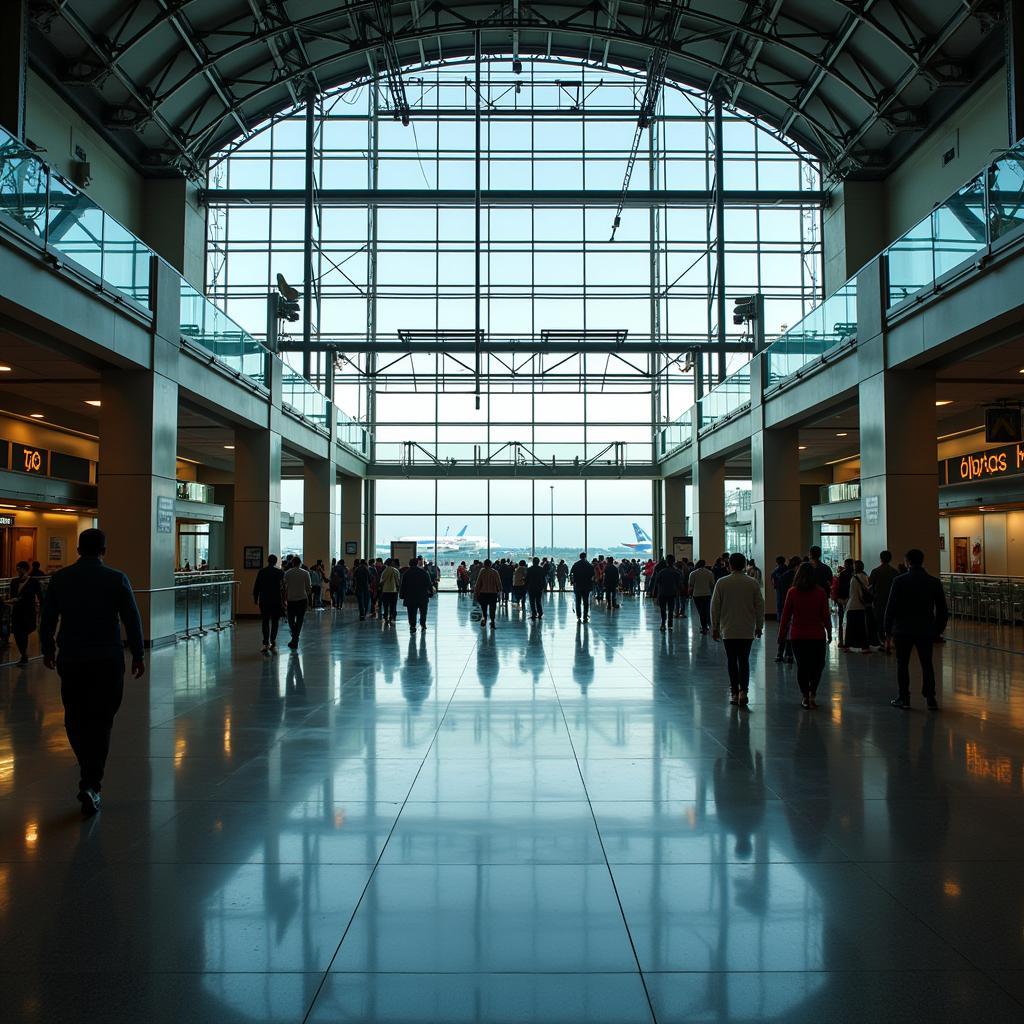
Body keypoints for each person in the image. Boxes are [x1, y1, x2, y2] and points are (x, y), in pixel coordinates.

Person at [38, 528, 145, 817]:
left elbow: (47, 619)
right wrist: (138, 654)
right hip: (107, 659)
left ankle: (88, 771)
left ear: (78, 550)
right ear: (104, 550)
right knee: (102, 720)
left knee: (74, 715)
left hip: (72, 657)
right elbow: (131, 618)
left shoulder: (61, 579)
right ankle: (91, 781)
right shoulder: (116, 578)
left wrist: (47, 649)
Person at [883, 548, 948, 710]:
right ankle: (930, 697)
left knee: (902, 664)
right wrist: (937, 629)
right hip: (925, 629)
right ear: (922, 561)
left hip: (902, 630)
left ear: (907, 562)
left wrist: (887, 630)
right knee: (927, 663)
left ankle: (904, 697)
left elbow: (890, 608)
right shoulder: (933, 582)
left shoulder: (899, 581)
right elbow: (942, 609)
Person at [710, 553, 764, 707]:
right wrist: (759, 626)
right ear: (744, 564)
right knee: (744, 661)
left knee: (732, 661)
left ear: (729, 565)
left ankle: (734, 692)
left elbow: (715, 608)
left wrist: (714, 627)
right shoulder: (752, 583)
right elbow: (760, 606)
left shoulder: (722, 583)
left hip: (728, 629)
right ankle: (744, 691)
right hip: (747, 629)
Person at [778, 562, 832, 708]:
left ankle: (805, 695)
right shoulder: (820, 592)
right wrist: (829, 631)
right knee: (817, 666)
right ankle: (812, 692)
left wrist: (781, 633)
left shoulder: (793, 592)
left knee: (803, 666)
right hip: (817, 635)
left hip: (797, 635)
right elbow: (825, 615)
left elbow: (785, 615)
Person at [8, 560, 41, 665]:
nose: (17, 571)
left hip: (27, 611)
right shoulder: (14, 582)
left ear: (24, 569)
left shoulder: (33, 582)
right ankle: (23, 654)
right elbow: (13, 595)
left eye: (19, 569)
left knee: (23, 633)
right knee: (18, 634)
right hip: (17, 611)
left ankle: (24, 655)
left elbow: (39, 595)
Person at [252, 554, 285, 653]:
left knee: (265, 621)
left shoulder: (262, 572)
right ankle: (273, 642)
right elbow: (283, 588)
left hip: (264, 600)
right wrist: (284, 601)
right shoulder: (280, 572)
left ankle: (265, 643)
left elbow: (257, 586)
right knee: (275, 622)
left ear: (267, 561)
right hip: (276, 600)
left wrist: (255, 598)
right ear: (275, 562)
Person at [869, 550, 899, 652]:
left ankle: (882, 641)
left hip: (879, 601)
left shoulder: (875, 571)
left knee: (880, 621)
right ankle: (890, 640)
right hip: (891, 600)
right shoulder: (895, 572)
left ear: (880, 558)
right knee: (891, 621)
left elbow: (870, 586)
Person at [844, 560, 875, 653]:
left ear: (855, 567)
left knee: (850, 627)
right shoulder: (866, 577)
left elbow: (856, 594)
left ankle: (849, 645)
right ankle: (864, 646)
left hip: (853, 605)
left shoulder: (854, 578)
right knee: (862, 627)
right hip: (862, 607)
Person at [283, 557, 312, 649]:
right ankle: (295, 639)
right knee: (300, 619)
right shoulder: (305, 573)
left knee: (291, 620)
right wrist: (305, 594)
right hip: (302, 599)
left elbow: (284, 586)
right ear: (300, 563)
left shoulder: (287, 573)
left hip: (291, 599)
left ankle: (294, 638)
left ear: (292, 563)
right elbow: (308, 587)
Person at [399, 556, 432, 632]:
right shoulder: (423, 572)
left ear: (409, 564)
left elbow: (403, 586)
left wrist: (401, 595)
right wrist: (430, 592)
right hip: (422, 596)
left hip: (410, 597)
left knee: (411, 613)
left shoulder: (406, 574)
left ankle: (412, 626)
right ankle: (423, 624)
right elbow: (428, 584)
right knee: (423, 612)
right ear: (417, 563)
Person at [653, 555, 683, 631]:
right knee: (671, 609)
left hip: (662, 593)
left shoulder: (661, 572)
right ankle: (670, 624)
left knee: (662, 609)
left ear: (666, 562)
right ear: (674, 562)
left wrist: (654, 594)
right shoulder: (677, 572)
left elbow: (656, 583)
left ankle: (663, 624)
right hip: (672, 593)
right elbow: (679, 584)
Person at [688, 559, 715, 634]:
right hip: (707, 594)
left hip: (697, 595)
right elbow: (712, 584)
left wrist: (689, 594)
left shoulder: (693, 573)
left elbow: (691, 586)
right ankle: (706, 626)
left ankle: (704, 627)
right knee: (706, 610)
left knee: (701, 611)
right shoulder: (710, 573)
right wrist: (713, 593)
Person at [473, 558, 502, 627]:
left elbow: (478, 583)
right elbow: (499, 583)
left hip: (483, 593)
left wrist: (476, 592)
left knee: (484, 608)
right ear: (491, 564)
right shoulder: (495, 572)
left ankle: (484, 619)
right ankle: (492, 621)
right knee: (492, 609)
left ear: (484, 564)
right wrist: (500, 591)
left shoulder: (482, 571)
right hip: (493, 593)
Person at [833, 558, 853, 649]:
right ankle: (851, 639)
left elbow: (839, 587)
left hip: (842, 599)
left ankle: (842, 641)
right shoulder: (855, 574)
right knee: (851, 619)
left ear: (846, 565)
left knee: (841, 619)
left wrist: (838, 598)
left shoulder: (842, 574)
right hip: (852, 599)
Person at [570, 552, 595, 622]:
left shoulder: (576, 565)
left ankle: (578, 616)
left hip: (578, 586)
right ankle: (585, 616)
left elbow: (571, 574)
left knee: (578, 602)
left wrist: (573, 582)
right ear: (585, 557)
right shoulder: (589, 565)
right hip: (586, 586)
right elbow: (593, 576)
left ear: (580, 557)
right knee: (586, 602)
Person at [377, 558, 401, 625]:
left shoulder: (384, 571)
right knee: (393, 605)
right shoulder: (396, 570)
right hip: (394, 591)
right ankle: (391, 617)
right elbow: (398, 581)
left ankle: (385, 616)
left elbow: (382, 581)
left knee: (385, 605)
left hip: (386, 590)